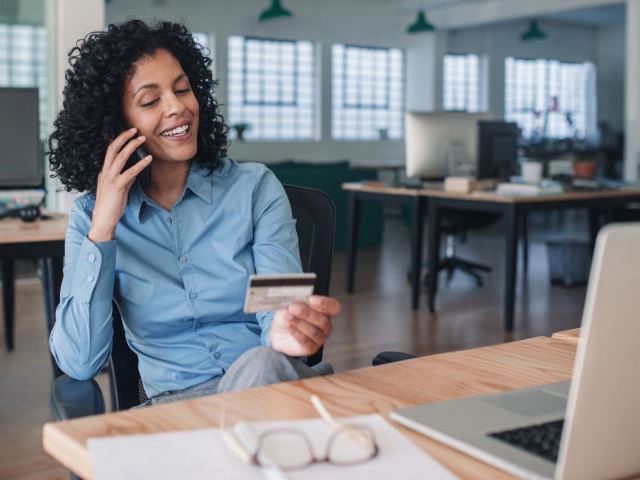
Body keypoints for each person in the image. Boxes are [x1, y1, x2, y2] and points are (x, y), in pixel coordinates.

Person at [48, 20, 341, 406]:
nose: (178, 107)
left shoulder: (253, 188)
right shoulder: (92, 217)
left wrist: (286, 331)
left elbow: (278, 306)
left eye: (183, 89)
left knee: (261, 364)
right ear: (116, 125)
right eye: (151, 101)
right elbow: (80, 362)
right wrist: (103, 227)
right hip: (178, 408)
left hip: (269, 384)